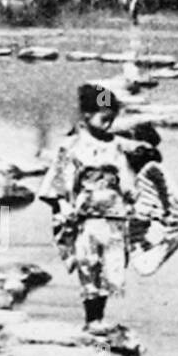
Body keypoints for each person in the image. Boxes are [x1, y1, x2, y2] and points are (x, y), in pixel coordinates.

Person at [38, 84, 153, 330]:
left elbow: (126, 176)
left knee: (111, 264)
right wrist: (62, 205)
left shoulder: (118, 145)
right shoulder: (71, 147)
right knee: (89, 263)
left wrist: (134, 197)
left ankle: (99, 317)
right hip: (86, 216)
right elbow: (60, 181)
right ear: (87, 116)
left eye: (112, 120)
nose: (108, 125)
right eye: (104, 119)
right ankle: (92, 320)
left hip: (115, 214)